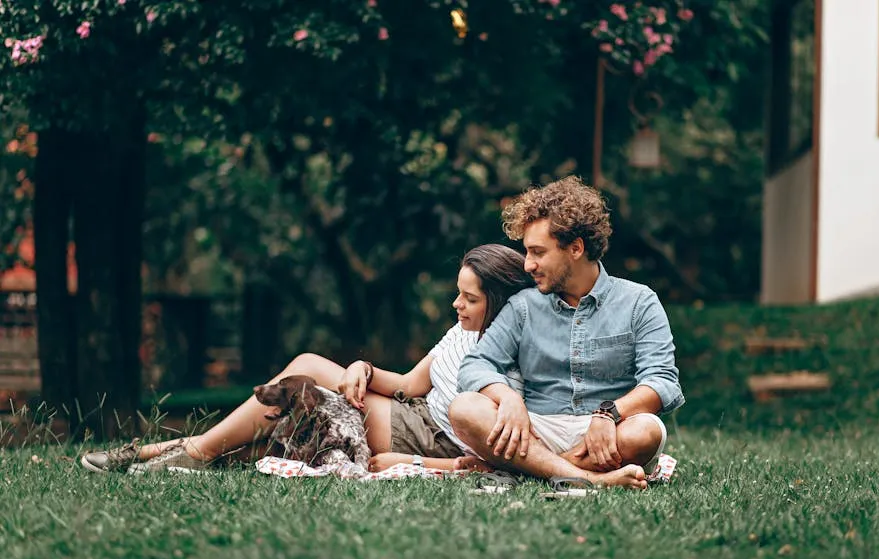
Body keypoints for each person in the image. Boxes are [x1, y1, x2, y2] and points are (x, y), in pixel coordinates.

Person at [81, 244, 533, 474]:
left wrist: (428, 465)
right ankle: (175, 453)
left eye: (469, 298)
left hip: (428, 436)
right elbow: (410, 384)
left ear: (498, 301)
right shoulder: (463, 330)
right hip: (408, 410)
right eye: (457, 292)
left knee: (304, 381)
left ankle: (177, 451)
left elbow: (492, 447)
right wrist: (366, 369)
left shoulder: (510, 352)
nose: (456, 304)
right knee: (303, 382)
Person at [449, 176, 685, 490]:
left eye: (537, 252)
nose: (528, 265)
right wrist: (508, 399)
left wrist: (608, 414)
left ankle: (536, 468)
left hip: (608, 432)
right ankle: (591, 478)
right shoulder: (523, 307)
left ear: (575, 248)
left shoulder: (639, 302)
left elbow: (662, 380)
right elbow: (474, 365)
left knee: (647, 431)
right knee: (464, 408)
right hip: (536, 428)